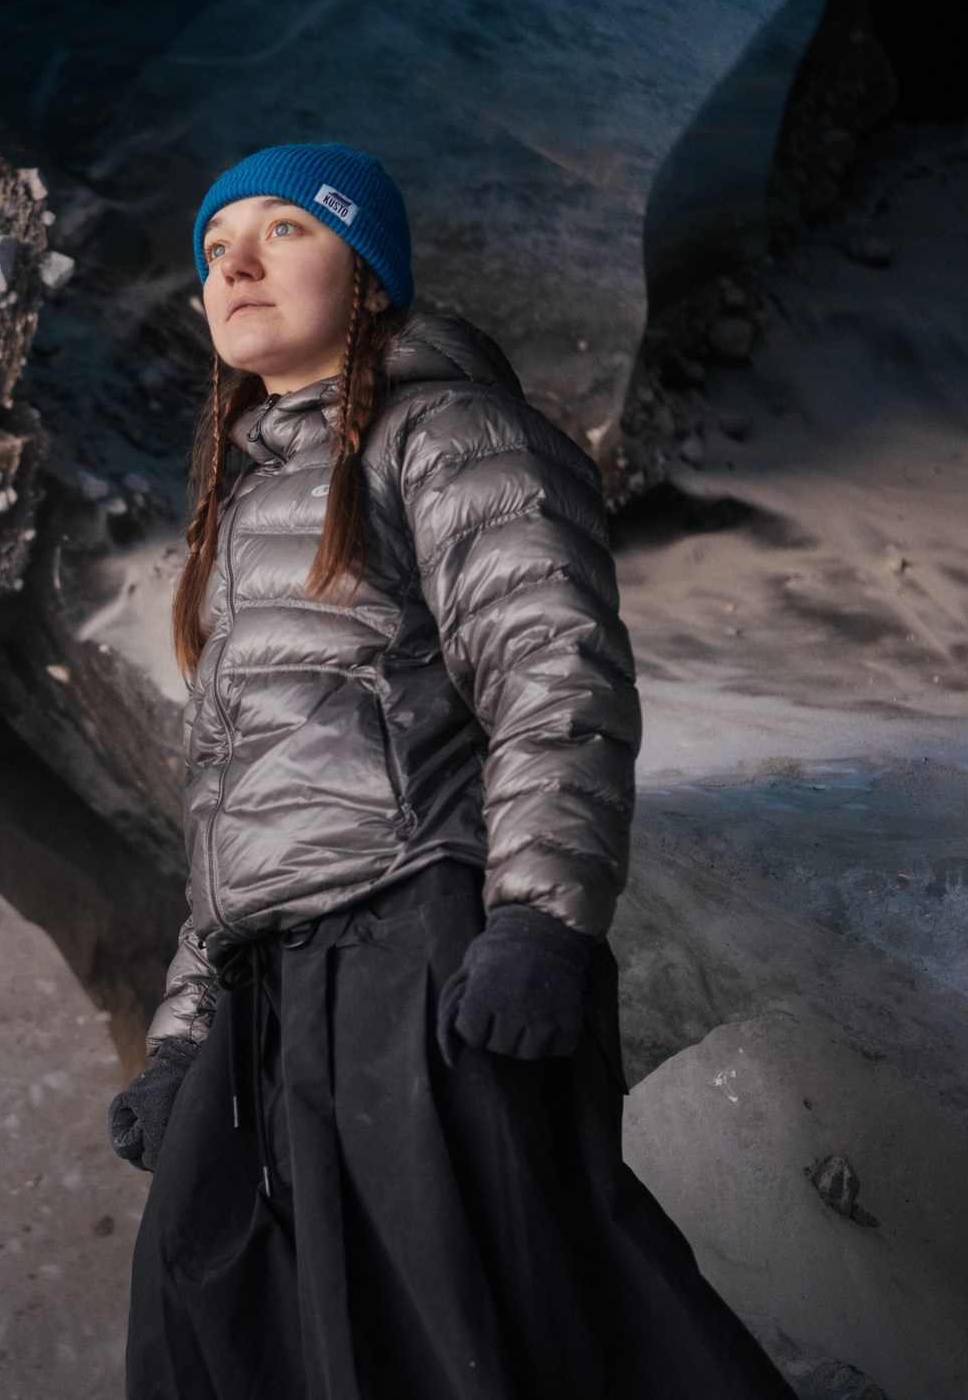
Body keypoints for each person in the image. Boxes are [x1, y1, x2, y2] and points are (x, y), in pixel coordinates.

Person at [108, 143, 794, 1399]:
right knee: (210, 1329)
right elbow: (233, 819)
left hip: (417, 953)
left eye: (283, 233)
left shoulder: (449, 433)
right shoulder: (245, 508)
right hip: (272, 998)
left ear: (366, 273)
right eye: (215, 251)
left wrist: (539, 925)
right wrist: (182, 1042)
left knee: (495, 1332)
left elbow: (554, 670)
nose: (235, 267)